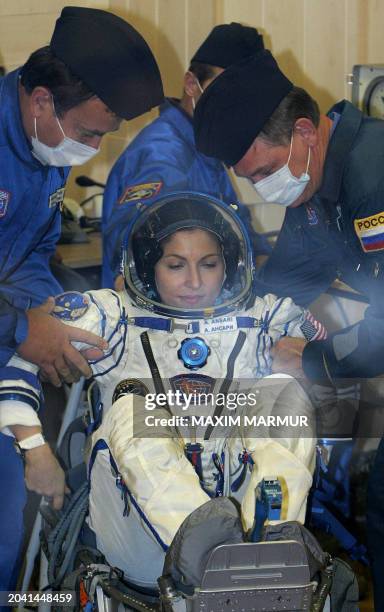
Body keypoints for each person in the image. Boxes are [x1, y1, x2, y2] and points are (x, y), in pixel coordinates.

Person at [2, 192, 329, 588]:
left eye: (208, 265)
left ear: (229, 266)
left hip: (246, 521)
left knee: (284, 394)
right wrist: (35, 450)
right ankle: (212, 558)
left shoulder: (265, 317)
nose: (194, 282)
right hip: (137, 535)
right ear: (148, 266)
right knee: (132, 407)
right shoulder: (111, 316)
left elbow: (330, 364)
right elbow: (19, 363)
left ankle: (275, 546)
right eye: (175, 265)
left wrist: (307, 364)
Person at [193, 48, 384, 608]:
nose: (265, 188)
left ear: (305, 132)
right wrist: (219, 331)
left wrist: (315, 360)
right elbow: (285, 281)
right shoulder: (315, 182)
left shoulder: (372, 178)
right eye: (250, 178)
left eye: (265, 173)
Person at [0, 5, 163, 593]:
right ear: (42, 100)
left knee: (12, 527)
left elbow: (30, 257)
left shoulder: (42, 148)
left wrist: (56, 319)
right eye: (90, 132)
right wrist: (23, 328)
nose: (92, 149)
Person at [102, 22, 270, 289]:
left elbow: (237, 228)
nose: (238, 107)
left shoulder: (206, 150)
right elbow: (132, 247)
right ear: (192, 84)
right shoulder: (164, 155)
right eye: (227, 91)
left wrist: (265, 259)